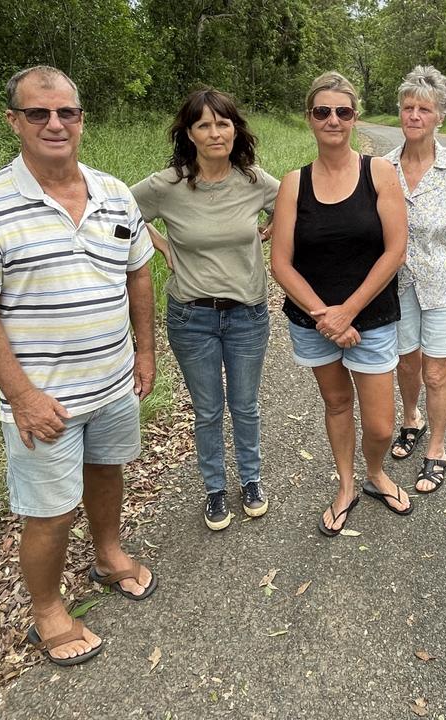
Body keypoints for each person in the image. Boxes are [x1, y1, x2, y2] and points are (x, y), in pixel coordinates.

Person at [0, 66, 157, 666]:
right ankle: (47, 611)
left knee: (109, 474)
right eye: (38, 113)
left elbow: (138, 272)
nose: (54, 124)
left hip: (113, 382)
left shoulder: (115, 192)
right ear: (15, 121)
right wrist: (23, 396)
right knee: (50, 510)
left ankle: (109, 554)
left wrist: (144, 351)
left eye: (66, 112)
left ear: (82, 118)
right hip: (45, 398)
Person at [269, 71, 411, 536]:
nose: (333, 119)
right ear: (309, 118)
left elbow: (395, 251)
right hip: (313, 320)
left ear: (355, 117)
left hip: (369, 317)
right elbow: (282, 265)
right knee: (335, 403)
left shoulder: (380, 173)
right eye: (322, 111)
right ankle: (347, 484)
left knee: (381, 425)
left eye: (343, 111)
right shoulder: (294, 183)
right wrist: (325, 318)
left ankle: (376, 472)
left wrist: (347, 312)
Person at [131, 89, 279, 531]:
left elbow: (297, 208)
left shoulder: (255, 181)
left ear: (236, 130)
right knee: (209, 409)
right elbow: (118, 211)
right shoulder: (167, 186)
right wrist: (159, 245)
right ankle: (214, 489)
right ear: (189, 134)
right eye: (204, 125)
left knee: (246, 405)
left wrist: (276, 225)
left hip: (247, 315)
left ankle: (250, 481)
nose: (215, 133)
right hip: (191, 317)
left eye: (223, 123)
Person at [382, 66, 446, 494]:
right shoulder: (381, 168)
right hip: (396, 284)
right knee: (406, 361)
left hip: (443, 286)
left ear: (440, 115)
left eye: (424, 109)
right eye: (408, 107)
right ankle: (411, 418)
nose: (415, 116)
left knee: (436, 372)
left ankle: (437, 447)